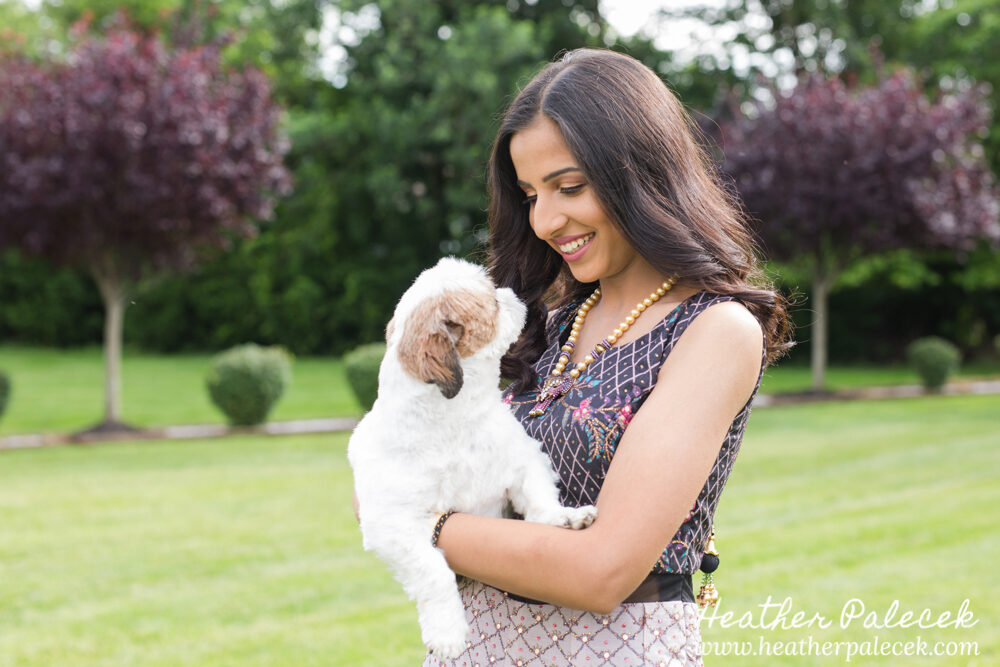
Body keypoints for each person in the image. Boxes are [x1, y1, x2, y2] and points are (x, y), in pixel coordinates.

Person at [412, 48, 792, 666]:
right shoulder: (551, 324)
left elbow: (602, 570)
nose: (545, 220)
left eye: (569, 187)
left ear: (638, 173)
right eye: (530, 194)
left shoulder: (714, 331)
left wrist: (420, 523)